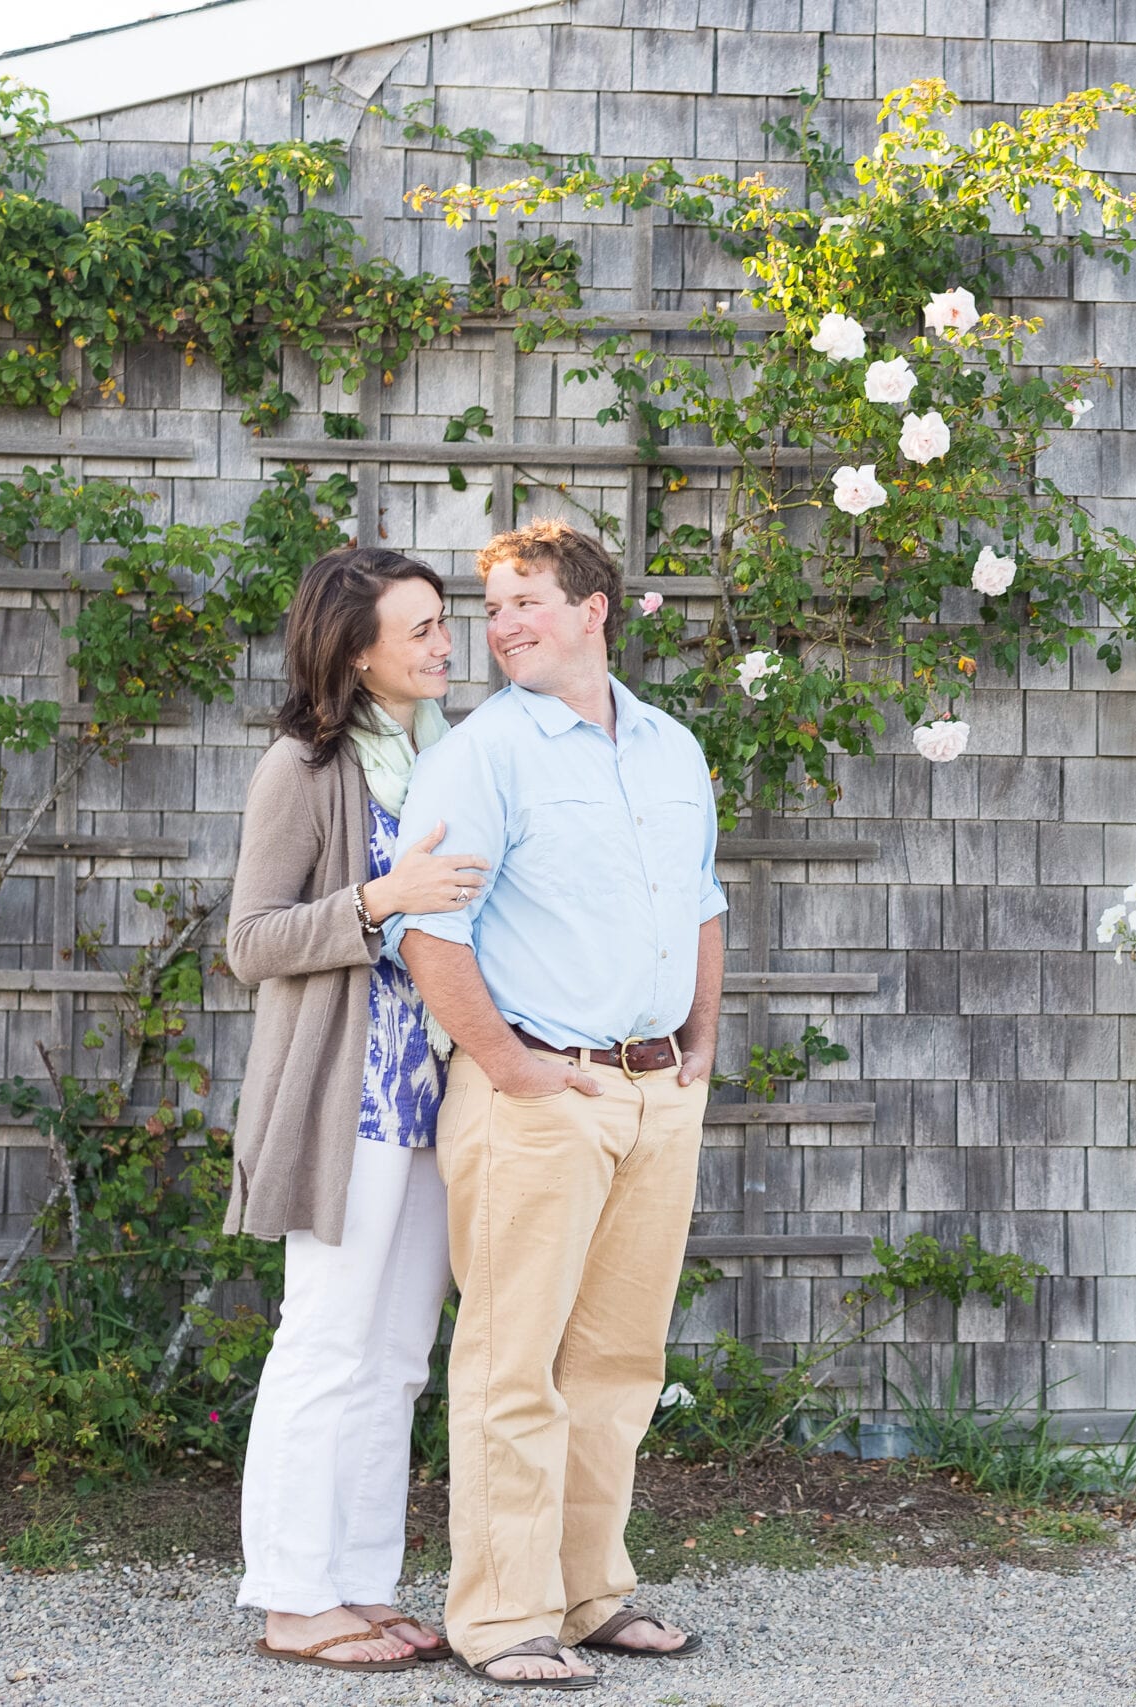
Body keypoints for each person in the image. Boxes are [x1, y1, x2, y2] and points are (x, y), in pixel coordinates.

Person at [390, 519, 723, 1688]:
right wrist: (512, 1064)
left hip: (652, 1094)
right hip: (537, 1091)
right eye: (493, 607)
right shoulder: (483, 753)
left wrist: (702, 1038)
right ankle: (502, 1617)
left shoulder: (672, 749)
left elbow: (702, 900)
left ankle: (591, 1595)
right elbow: (432, 926)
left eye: (526, 599)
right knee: (510, 1362)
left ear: (594, 610)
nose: (504, 625)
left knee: (619, 1363)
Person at [226, 546, 492, 1672]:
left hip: (435, 1095)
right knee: (325, 1344)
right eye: (423, 628)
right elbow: (250, 942)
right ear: (356, 648)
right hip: (349, 1098)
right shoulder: (302, 767)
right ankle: (292, 1600)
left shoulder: (448, 756)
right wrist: (379, 900)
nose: (446, 644)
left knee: (396, 1359)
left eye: (443, 622)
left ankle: (360, 1582)